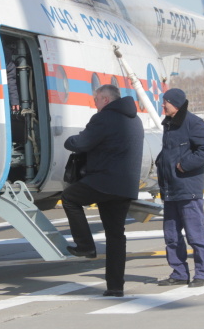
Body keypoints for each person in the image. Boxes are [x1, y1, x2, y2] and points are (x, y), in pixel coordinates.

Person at [61, 84, 143, 297]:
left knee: (69, 198)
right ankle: (115, 287)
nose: (94, 103)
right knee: (116, 236)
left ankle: (85, 245)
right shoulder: (135, 119)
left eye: (96, 99)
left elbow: (81, 143)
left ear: (105, 99)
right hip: (125, 186)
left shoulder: (104, 118)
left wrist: (69, 140)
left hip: (104, 182)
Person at [155, 88, 204, 288]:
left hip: (188, 190)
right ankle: (179, 273)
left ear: (176, 104)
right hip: (171, 190)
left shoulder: (193, 122)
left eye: (166, 102)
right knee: (171, 236)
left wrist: (184, 164)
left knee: (195, 235)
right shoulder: (169, 124)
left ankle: (201, 274)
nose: (162, 105)